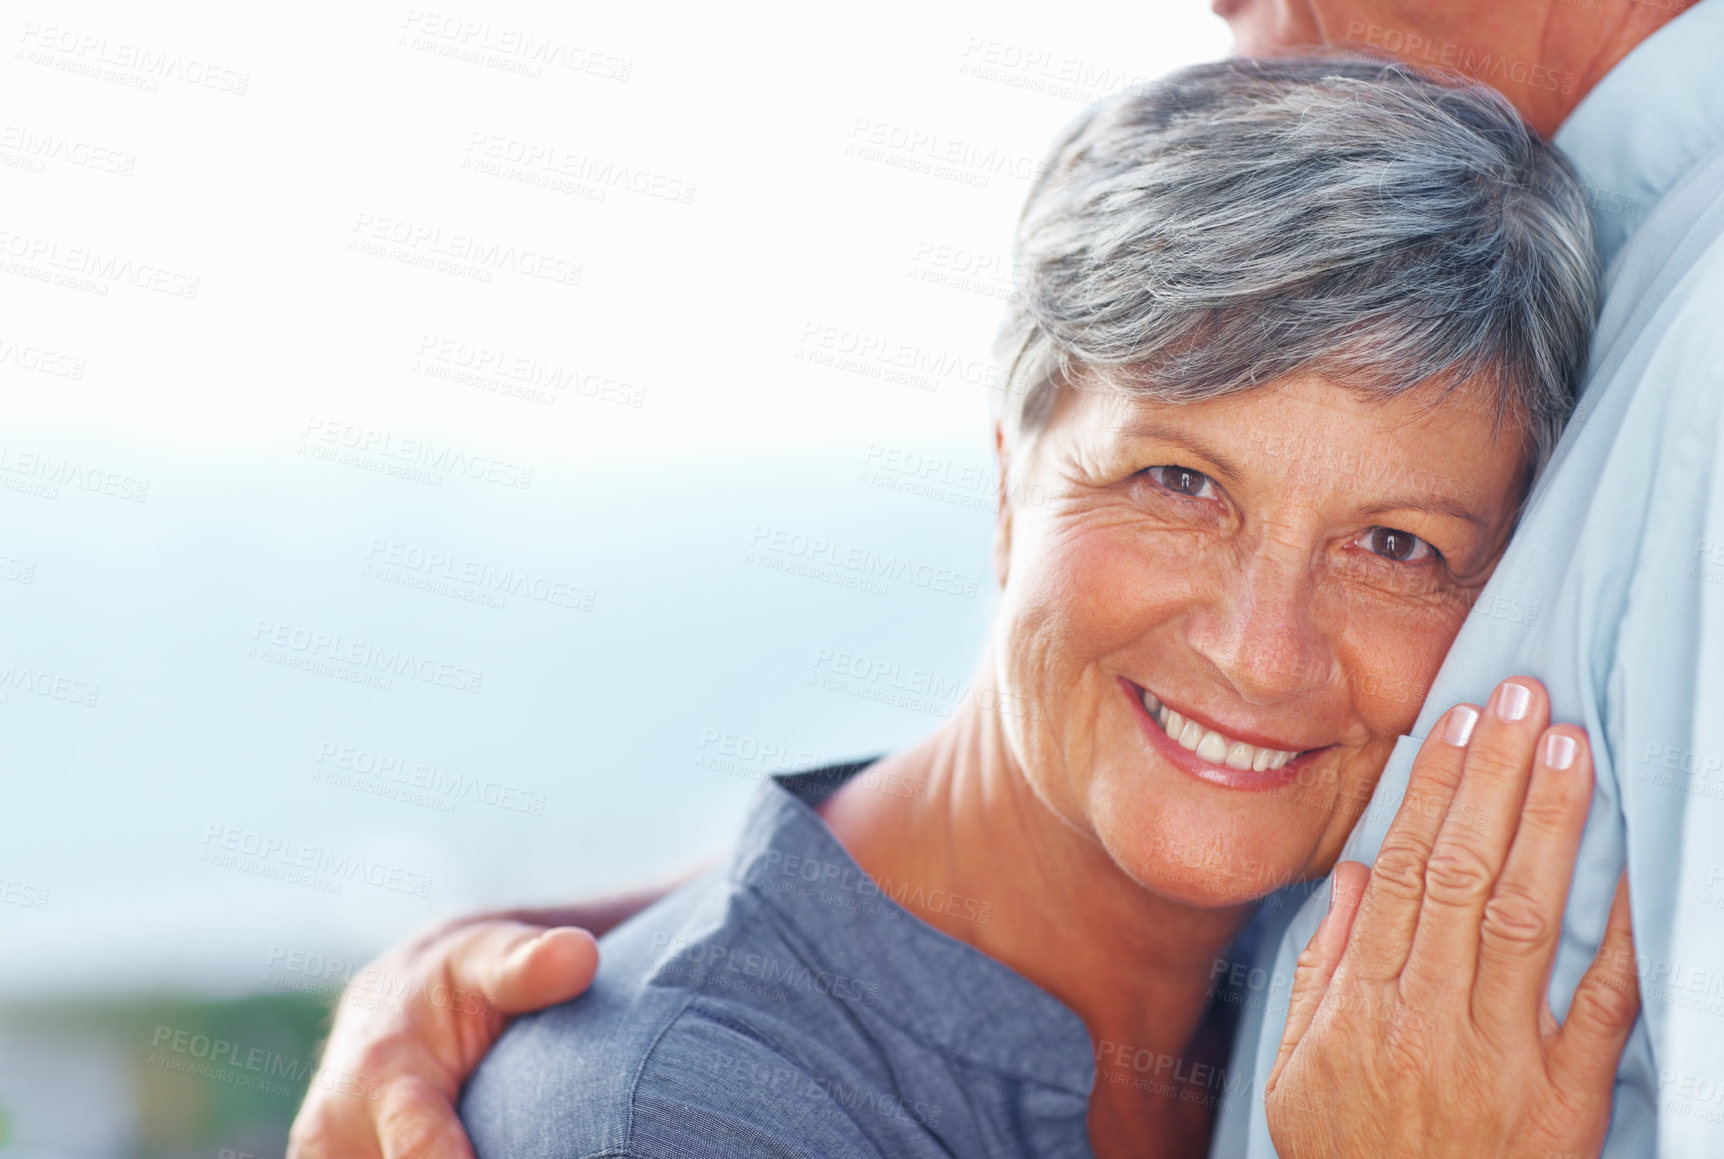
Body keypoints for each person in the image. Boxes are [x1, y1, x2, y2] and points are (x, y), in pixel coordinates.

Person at [291, 0, 1724, 1150]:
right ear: (1004, 483)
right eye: (1179, 484)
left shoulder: (1306, 915)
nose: (1265, 652)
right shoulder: (692, 1116)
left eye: (1397, 547)